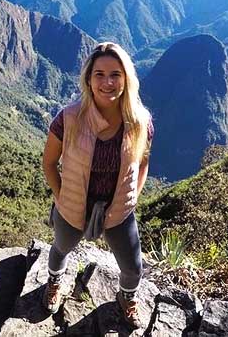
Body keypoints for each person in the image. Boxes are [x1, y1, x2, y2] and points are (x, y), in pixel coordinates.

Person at [41, 41, 154, 328]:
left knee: (132, 266)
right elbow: (49, 162)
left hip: (118, 209)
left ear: (126, 78)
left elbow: (142, 161)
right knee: (61, 247)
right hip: (73, 205)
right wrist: (61, 196)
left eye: (115, 74)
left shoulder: (140, 121)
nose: (107, 82)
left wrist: (133, 197)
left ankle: (126, 297)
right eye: (99, 74)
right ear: (89, 80)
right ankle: (55, 280)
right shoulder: (68, 119)